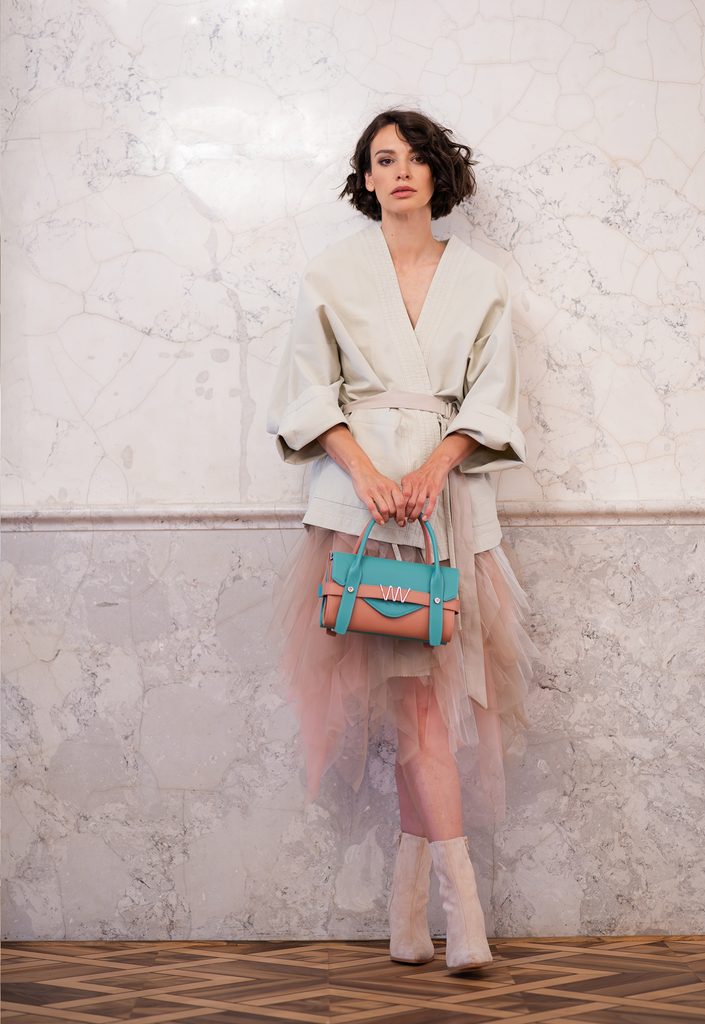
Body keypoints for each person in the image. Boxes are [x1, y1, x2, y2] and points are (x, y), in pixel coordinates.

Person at [267, 108, 542, 973]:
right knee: (417, 712)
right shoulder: (330, 274)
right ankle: (461, 915)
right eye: (383, 159)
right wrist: (367, 475)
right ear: (366, 178)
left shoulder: (482, 281)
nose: (400, 171)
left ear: (437, 174)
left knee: (424, 711)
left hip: (448, 508)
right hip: (360, 514)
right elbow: (306, 393)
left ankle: (410, 913)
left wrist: (435, 465)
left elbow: (493, 395)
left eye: (415, 157)